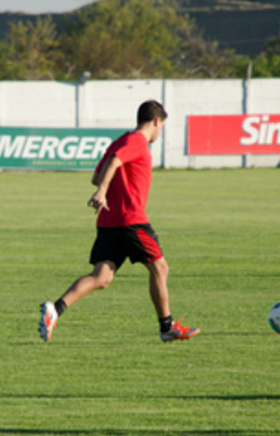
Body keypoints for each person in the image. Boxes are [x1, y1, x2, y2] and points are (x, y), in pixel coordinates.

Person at [39, 100, 199, 342]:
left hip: (109, 221)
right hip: (130, 220)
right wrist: (103, 192)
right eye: (161, 126)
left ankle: (56, 309)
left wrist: (106, 187)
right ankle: (167, 326)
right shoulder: (136, 141)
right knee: (160, 267)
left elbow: (96, 175)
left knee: (101, 277)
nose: (160, 131)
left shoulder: (120, 140)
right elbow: (112, 166)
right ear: (157, 121)